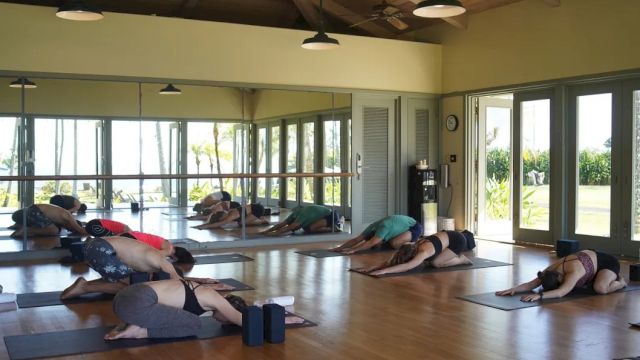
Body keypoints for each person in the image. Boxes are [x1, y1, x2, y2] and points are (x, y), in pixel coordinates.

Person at [104, 280, 249, 339]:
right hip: (136, 303)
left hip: (123, 298)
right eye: (228, 321)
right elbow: (244, 321)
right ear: (229, 307)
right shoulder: (216, 299)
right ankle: (140, 332)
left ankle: (134, 323)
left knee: (179, 317)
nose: (225, 322)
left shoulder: (202, 290)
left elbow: (167, 312)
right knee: (195, 324)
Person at [60, 235, 184, 300]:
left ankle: (84, 284)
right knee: (130, 287)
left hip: (96, 246)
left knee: (127, 279)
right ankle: (84, 287)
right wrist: (202, 283)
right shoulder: (163, 263)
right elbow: (178, 282)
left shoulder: (155, 259)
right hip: (103, 250)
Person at [495, 249, 627, 302]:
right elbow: (532, 284)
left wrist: (540, 295)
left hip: (607, 263)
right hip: (593, 264)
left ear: (560, 278)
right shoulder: (552, 269)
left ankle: (620, 282)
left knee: (600, 289)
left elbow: (561, 292)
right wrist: (513, 289)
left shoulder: (574, 272)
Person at [353, 230, 475, 276]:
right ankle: (449, 255)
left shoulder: (423, 251)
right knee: (429, 261)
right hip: (446, 237)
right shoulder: (411, 246)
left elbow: (407, 266)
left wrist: (384, 271)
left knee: (436, 263)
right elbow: (394, 259)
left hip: (458, 240)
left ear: (413, 254)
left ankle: (461, 259)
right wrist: (373, 267)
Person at [332, 215, 423, 254]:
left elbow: (371, 242)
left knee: (395, 244)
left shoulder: (383, 228)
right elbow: (356, 240)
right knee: (389, 242)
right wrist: (340, 247)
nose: (375, 245)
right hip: (399, 226)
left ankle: (416, 242)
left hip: (414, 227)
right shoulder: (371, 227)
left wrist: (353, 250)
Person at [10, 204, 89, 238]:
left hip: (32, 211)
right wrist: (93, 232)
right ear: (72, 224)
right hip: (35, 211)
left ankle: (20, 225)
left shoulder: (63, 220)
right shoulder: (68, 216)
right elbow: (81, 230)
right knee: (53, 230)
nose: (68, 230)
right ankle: (26, 230)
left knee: (54, 228)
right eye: (70, 229)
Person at [259, 205, 340, 236]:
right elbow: (282, 224)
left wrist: (274, 234)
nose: (295, 229)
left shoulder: (302, 216)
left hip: (331, 216)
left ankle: (333, 228)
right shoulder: (294, 215)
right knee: (306, 229)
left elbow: (289, 228)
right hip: (320, 215)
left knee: (310, 229)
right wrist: (267, 231)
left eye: (296, 227)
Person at [120, 230, 195, 264]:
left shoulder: (168, 244)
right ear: (176, 258)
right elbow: (151, 256)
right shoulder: (168, 251)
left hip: (131, 235)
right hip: (132, 239)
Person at [193, 203, 269, 230]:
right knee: (240, 222)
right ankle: (257, 218)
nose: (223, 219)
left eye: (221, 219)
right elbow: (215, 221)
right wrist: (203, 225)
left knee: (242, 223)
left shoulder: (231, 215)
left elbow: (220, 223)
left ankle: (261, 221)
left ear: (221, 216)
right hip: (252, 207)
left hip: (258, 209)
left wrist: (205, 227)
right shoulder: (227, 213)